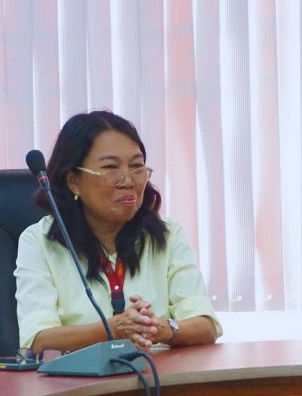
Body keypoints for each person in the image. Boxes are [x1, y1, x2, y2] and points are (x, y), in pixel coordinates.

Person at [16, 111, 221, 355]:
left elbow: (205, 326)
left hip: (159, 380)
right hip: (76, 388)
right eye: (111, 167)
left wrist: (162, 329)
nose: (128, 181)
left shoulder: (167, 234)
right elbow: (38, 340)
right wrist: (113, 329)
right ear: (74, 181)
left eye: (137, 166)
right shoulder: (39, 241)